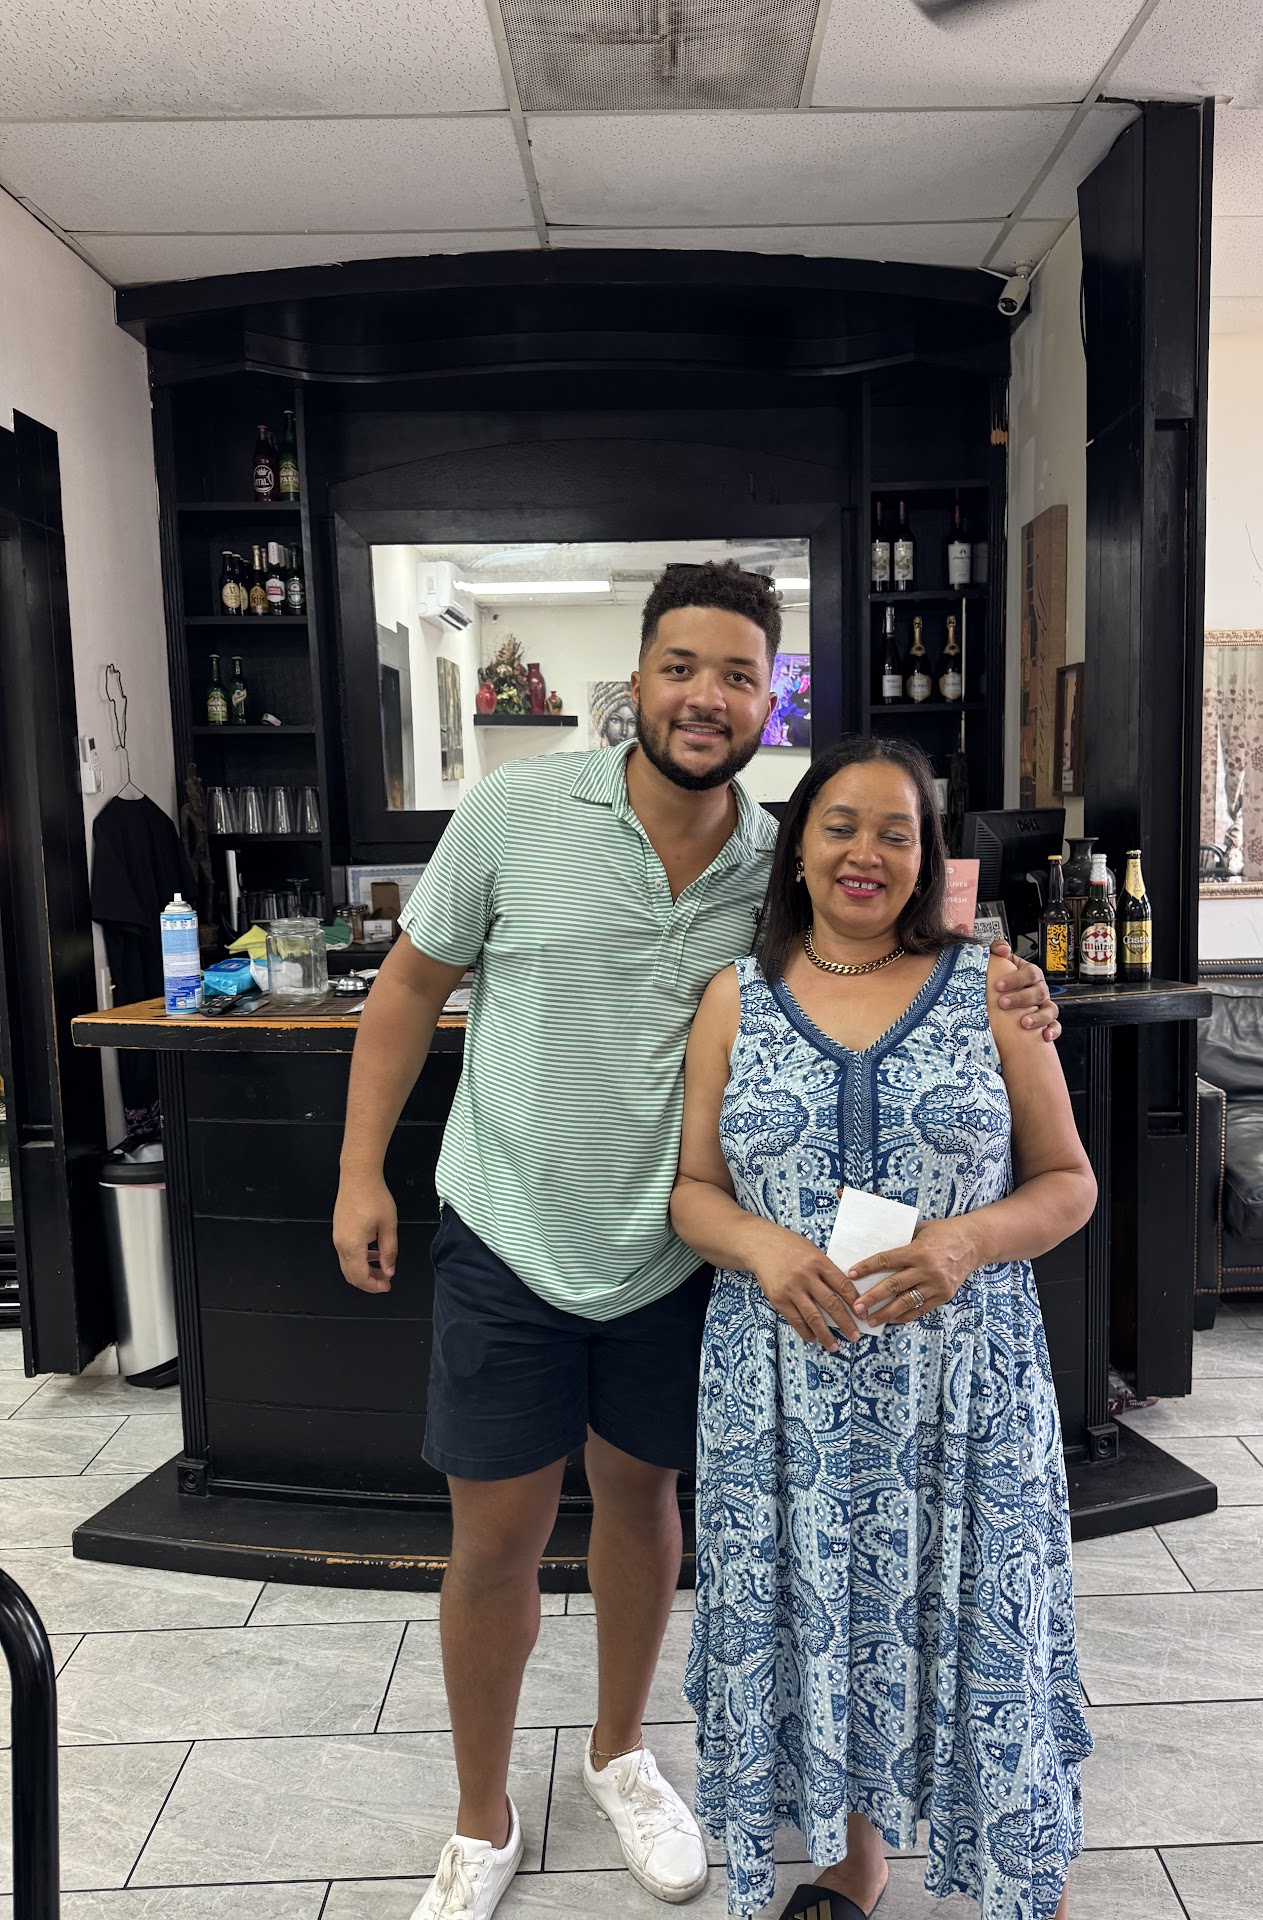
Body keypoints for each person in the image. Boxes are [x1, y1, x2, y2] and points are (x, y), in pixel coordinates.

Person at [332, 563, 1064, 1920]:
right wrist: (359, 1171)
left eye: (737, 674)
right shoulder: (512, 811)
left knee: (641, 1506)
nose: (706, 696)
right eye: (682, 667)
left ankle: (620, 1754)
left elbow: (890, 945)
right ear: (639, 677)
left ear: (770, 696)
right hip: (510, 1231)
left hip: (678, 1260)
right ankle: (481, 1816)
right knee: (492, 1540)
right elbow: (411, 986)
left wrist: (1010, 982)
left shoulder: (776, 861)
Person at [672, 734, 1096, 1920]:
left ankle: (1025, 1876)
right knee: (824, 1622)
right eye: (841, 826)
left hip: (962, 1389)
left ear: (927, 856)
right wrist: (763, 1246)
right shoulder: (735, 998)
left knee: (981, 1625)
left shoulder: (991, 988)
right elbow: (693, 1193)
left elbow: (1068, 1183)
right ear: (797, 847)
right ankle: (853, 1858)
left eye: (896, 833)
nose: (866, 853)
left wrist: (967, 1240)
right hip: (784, 1394)